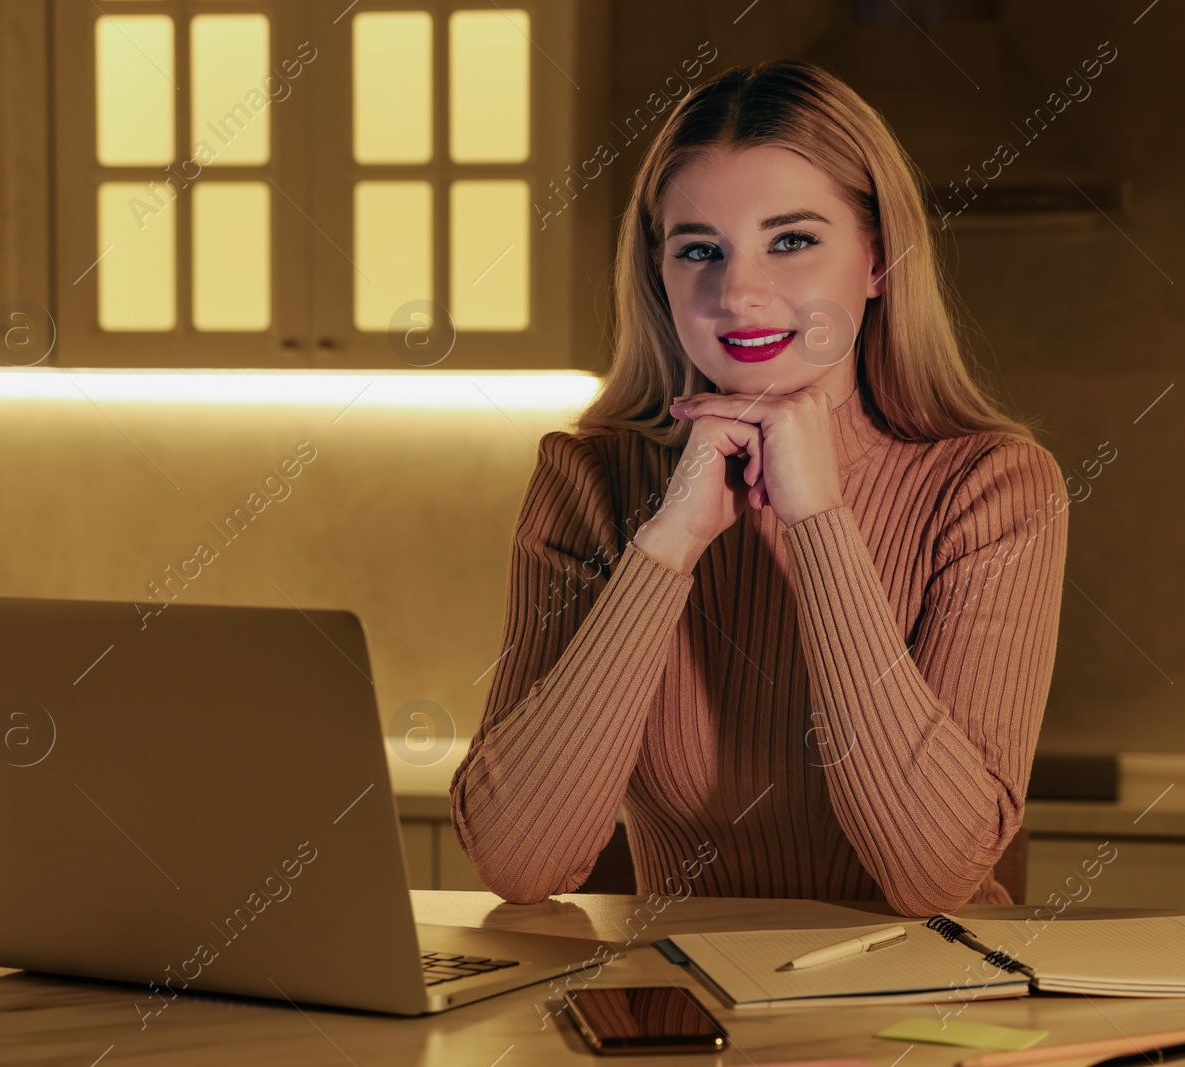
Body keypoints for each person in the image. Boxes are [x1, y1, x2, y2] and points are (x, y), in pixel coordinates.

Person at [448, 58, 1070, 916]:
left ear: (879, 260)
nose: (739, 293)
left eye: (792, 240)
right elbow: (520, 864)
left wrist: (819, 521)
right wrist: (667, 543)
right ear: (659, 277)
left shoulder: (993, 487)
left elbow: (934, 877)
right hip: (678, 1014)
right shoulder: (588, 480)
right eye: (699, 249)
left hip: (919, 1020)